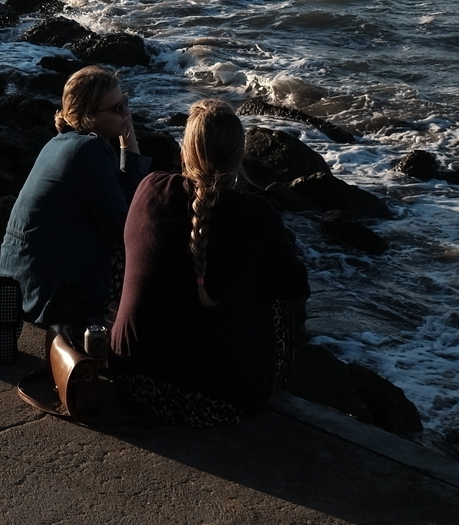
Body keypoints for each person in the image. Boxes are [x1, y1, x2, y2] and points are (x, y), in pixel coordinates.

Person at [110, 97, 309, 425]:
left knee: (131, 247)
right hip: (218, 400)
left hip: (132, 379)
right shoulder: (256, 213)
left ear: (184, 150)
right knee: (277, 286)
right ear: (238, 157)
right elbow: (294, 286)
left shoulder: (150, 187)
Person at [0, 66, 150, 330]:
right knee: (144, 245)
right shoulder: (88, 151)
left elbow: (123, 197)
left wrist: (127, 135)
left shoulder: (60, 143)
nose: (126, 112)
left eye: (124, 101)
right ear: (88, 117)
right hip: (50, 297)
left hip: (21, 286)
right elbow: (125, 224)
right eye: (116, 109)